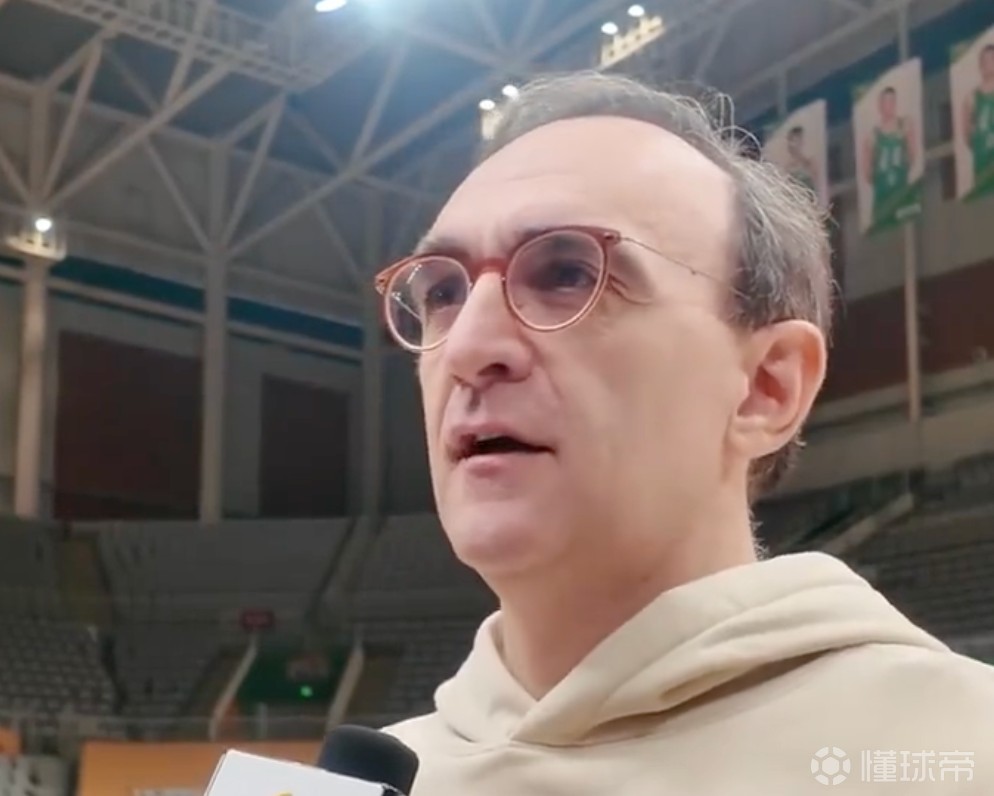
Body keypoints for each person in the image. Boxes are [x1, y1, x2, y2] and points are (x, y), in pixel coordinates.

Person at [375, 72, 994, 794]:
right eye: (443, 292)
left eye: (569, 273)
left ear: (766, 387)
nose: (468, 346)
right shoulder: (368, 777)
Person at [862, 85, 916, 227]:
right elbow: (867, 172)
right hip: (882, 196)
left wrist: (901, 170)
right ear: (880, 105)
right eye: (886, 102)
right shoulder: (872, 135)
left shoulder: (905, 125)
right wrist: (881, 177)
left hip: (901, 193)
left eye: (892, 101)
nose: (890, 105)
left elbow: (913, 154)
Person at [962, 43, 994, 192]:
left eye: (992, 59)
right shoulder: (971, 98)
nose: (989, 64)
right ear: (980, 65)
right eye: (985, 60)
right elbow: (967, 136)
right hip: (982, 168)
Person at [784, 124, 820, 196]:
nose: (791, 145)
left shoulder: (809, 163)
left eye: (795, 140)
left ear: (801, 142)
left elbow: (816, 186)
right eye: (790, 140)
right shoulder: (789, 168)